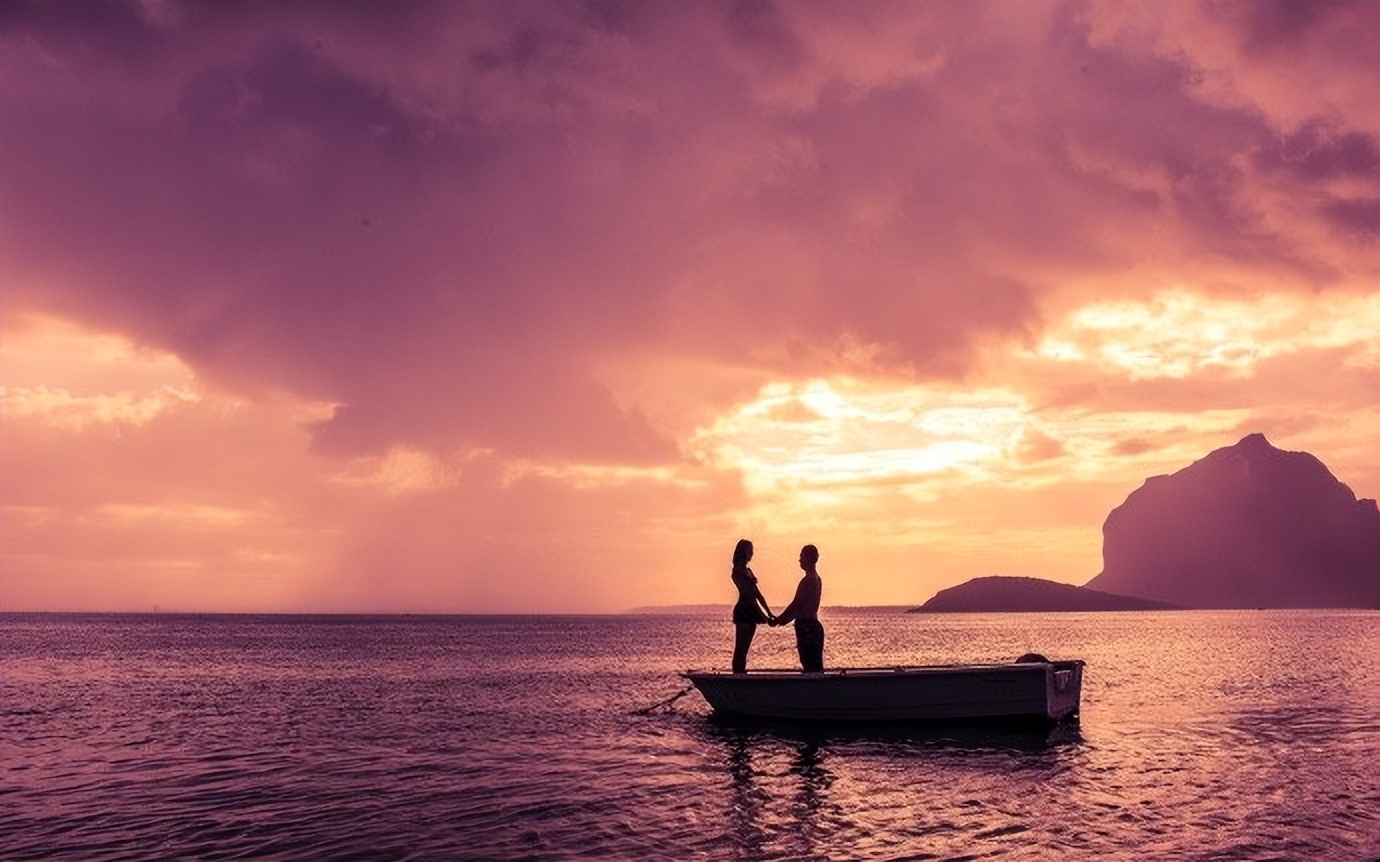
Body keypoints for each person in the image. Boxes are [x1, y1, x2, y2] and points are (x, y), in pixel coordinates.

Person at [770, 544, 824, 672]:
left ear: (809, 558)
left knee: (810, 665)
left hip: (807, 627)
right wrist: (781, 620)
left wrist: (779, 620)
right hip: (812, 626)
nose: (799, 560)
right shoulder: (817, 579)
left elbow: (796, 605)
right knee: (814, 666)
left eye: (802, 556)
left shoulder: (808, 580)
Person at [729, 539, 774, 673]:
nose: (752, 554)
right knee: (740, 649)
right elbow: (748, 595)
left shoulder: (748, 571)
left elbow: (757, 594)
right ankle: (738, 674)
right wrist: (765, 617)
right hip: (744, 611)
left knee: (745, 647)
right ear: (744, 552)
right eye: (750, 551)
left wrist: (769, 612)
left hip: (752, 611)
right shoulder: (737, 572)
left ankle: (741, 672)